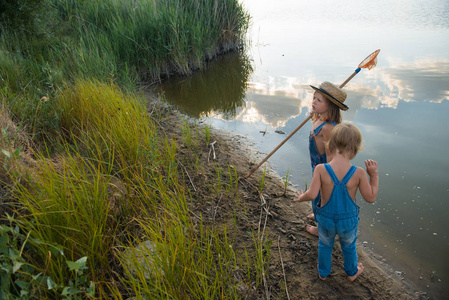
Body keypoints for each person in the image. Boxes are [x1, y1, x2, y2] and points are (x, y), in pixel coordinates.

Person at [294, 123, 379, 281]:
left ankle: (323, 272)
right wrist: (373, 175)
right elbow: (371, 197)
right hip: (348, 222)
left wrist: (300, 198)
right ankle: (351, 272)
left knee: (325, 245)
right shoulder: (359, 173)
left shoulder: (321, 169)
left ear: (331, 144)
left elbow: (312, 194)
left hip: (325, 220)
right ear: (354, 150)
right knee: (349, 247)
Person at [306, 81, 349, 237]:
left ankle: (321, 228)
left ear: (330, 106)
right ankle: (318, 217)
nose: (314, 102)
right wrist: (316, 115)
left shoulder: (328, 128)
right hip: (316, 164)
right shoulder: (319, 119)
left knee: (323, 197)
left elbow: (331, 156)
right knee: (316, 196)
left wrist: (328, 176)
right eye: (314, 98)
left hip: (325, 167)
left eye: (319, 100)